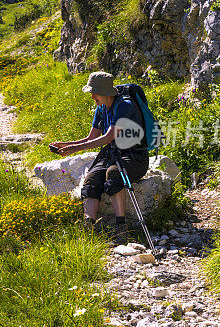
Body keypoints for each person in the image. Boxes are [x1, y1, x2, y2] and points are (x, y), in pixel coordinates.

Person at [49, 71, 149, 235]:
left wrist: (75, 149)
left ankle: (121, 228)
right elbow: (91, 138)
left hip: (134, 156)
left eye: (94, 92)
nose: (92, 96)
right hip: (112, 153)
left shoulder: (125, 105)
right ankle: (89, 226)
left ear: (104, 92)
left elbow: (109, 136)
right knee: (92, 178)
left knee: (114, 174)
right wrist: (66, 145)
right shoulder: (101, 108)